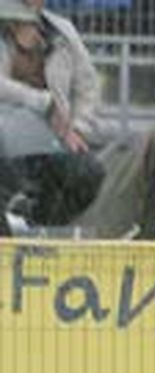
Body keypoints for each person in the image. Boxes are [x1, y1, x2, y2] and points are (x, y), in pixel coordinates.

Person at [0, 0, 104, 226]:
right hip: (5, 142)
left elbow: (88, 86)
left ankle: (40, 226)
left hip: (54, 140)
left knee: (90, 173)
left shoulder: (62, 31)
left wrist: (78, 128)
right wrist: (44, 103)